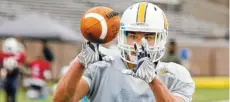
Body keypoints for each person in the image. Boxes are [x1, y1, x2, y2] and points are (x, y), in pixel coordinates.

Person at [54, 2, 195, 102]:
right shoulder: (101, 63)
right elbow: (61, 101)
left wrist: (153, 81)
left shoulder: (175, 74)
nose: (139, 44)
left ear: (161, 39)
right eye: (133, 36)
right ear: (122, 36)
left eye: (149, 37)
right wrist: (80, 64)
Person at [0, 37, 27, 102]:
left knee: (13, 91)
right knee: (7, 92)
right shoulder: (2, 55)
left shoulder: (19, 55)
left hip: (14, 76)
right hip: (5, 76)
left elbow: (23, 67)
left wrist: (16, 66)